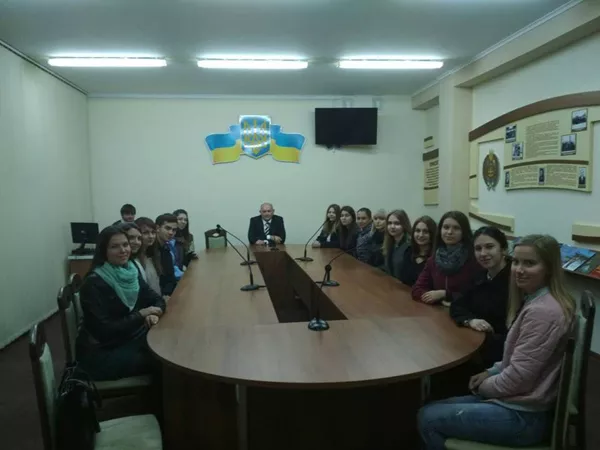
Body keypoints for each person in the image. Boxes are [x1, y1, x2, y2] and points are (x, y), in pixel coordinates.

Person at [418, 234, 575, 449]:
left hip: (525, 416)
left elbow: (518, 379)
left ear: (549, 268)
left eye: (529, 263)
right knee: (433, 405)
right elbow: (520, 358)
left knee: (427, 417)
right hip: (520, 401)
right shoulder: (535, 299)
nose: (519, 269)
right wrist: (491, 371)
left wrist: (483, 387)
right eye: (516, 262)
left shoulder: (543, 312)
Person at [75, 226, 166, 381]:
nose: (123, 250)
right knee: (163, 361)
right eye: (114, 246)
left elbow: (157, 299)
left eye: (125, 244)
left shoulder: (130, 272)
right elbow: (104, 331)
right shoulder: (93, 284)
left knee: (166, 345)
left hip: (127, 338)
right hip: (102, 353)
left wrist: (153, 314)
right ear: (103, 251)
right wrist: (141, 314)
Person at [449, 226, 510, 366]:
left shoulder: (516, 280)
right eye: (478, 248)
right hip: (474, 345)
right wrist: (470, 321)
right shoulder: (479, 277)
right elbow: (457, 305)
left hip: (500, 356)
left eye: (489, 247)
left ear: (504, 249)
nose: (483, 253)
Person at [412, 211, 480, 305]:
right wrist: (435, 298)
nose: (449, 232)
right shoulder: (434, 259)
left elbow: (477, 295)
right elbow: (417, 289)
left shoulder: (474, 258)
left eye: (456, 228)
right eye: (446, 227)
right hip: (440, 310)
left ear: (464, 232)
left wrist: (445, 294)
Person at [398, 216, 436, 286]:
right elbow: (403, 278)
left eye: (425, 231)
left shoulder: (436, 257)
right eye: (418, 231)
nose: (421, 235)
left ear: (432, 234)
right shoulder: (409, 251)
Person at [153, 213, 183, 296]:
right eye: (167, 228)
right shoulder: (151, 250)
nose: (171, 233)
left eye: (174, 230)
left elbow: (170, 277)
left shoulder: (166, 247)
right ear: (157, 228)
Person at [379, 209, 412, 278]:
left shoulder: (409, 245)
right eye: (389, 223)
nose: (392, 227)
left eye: (397, 223)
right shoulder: (390, 242)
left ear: (404, 225)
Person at [134, 217, 162, 297]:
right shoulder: (135, 260)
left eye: (153, 232)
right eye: (145, 233)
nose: (151, 236)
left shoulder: (151, 256)